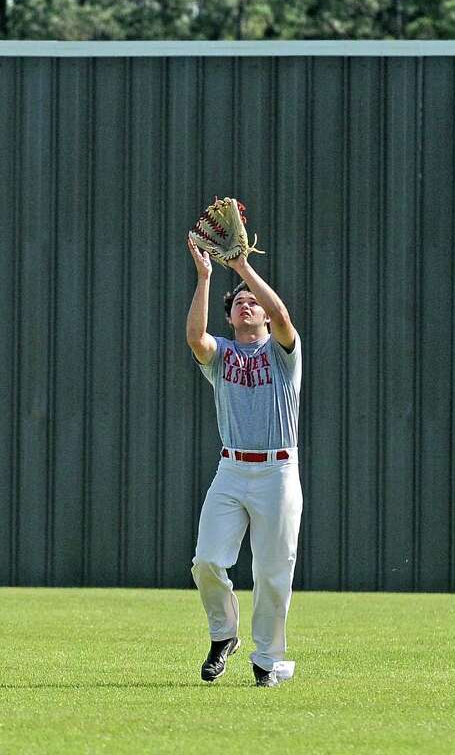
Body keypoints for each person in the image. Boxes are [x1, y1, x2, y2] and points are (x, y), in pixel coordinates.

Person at [185, 235, 303, 687]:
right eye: (238, 303)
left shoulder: (282, 352)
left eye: (253, 302)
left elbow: (284, 318)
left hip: (278, 470)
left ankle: (267, 661)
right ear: (230, 316)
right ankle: (224, 635)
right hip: (232, 470)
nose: (246, 306)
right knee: (206, 561)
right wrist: (206, 277)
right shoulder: (222, 354)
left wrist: (242, 269)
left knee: (273, 572)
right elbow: (195, 338)